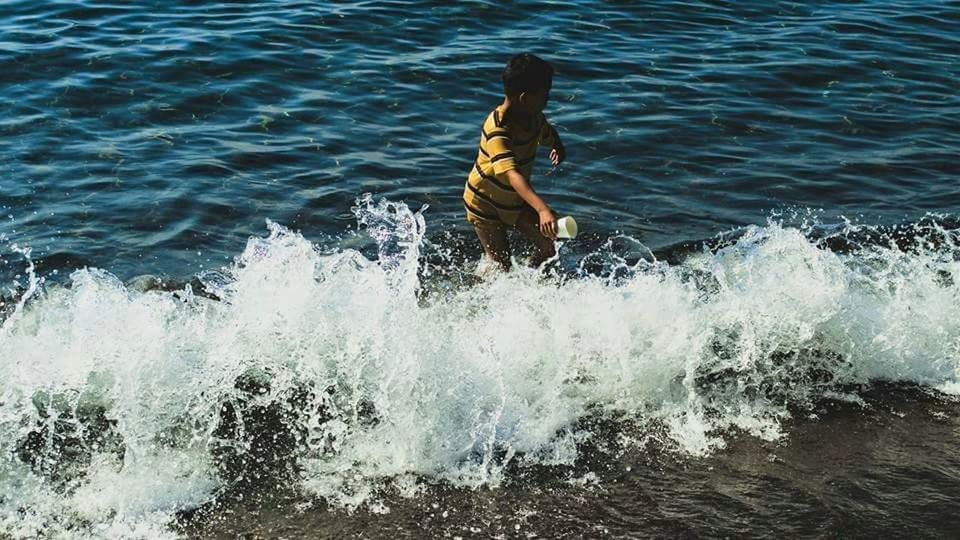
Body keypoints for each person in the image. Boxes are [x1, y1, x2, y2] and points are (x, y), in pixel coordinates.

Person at [462, 53, 566, 271]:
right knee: (500, 264)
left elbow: (548, 134)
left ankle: (529, 278)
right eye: (544, 95)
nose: (548, 99)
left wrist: (557, 146)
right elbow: (512, 174)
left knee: (549, 246)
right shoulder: (497, 129)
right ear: (525, 98)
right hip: (484, 203)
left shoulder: (535, 118)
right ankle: (479, 294)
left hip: (513, 201)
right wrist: (542, 209)